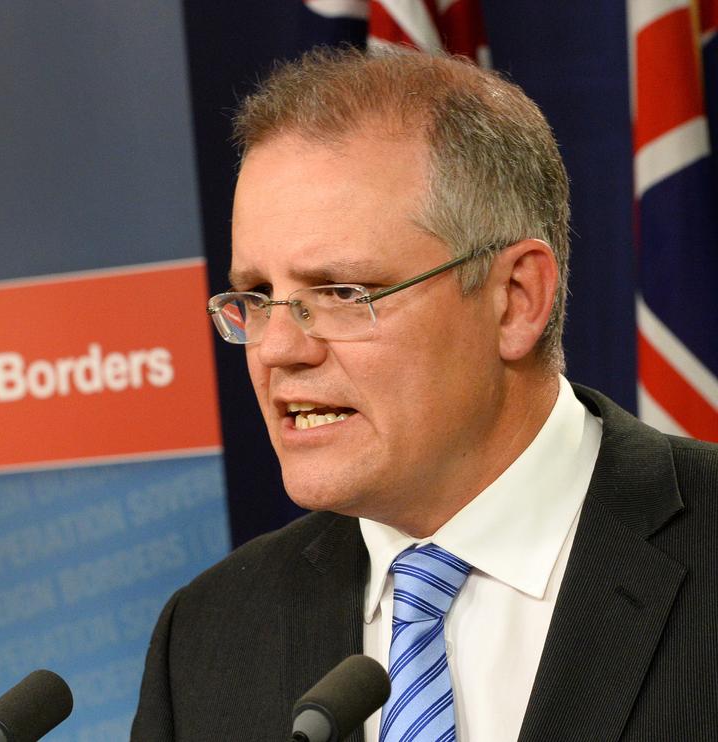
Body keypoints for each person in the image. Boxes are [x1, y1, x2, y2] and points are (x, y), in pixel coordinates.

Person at [131, 47, 717, 741]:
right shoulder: (209, 634)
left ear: (514, 300)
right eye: (257, 297)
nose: (278, 349)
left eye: (341, 293)